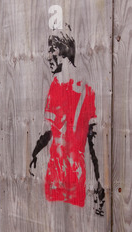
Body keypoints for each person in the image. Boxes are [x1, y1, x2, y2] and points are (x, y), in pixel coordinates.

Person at [29, 30, 105, 216]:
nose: (48, 56)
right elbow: (92, 141)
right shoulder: (88, 89)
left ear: (63, 52)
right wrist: (98, 179)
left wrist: (34, 153)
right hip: (76, 174)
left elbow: (49, 131)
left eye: (52, 50)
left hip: (59, 172)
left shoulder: (56, 87)